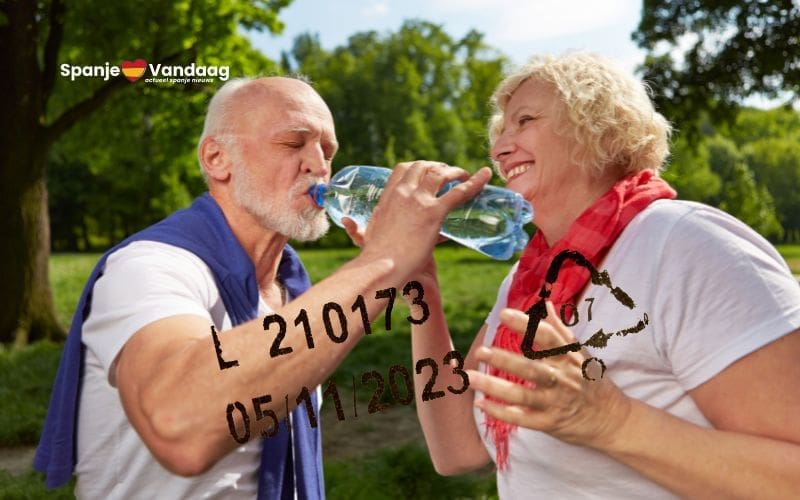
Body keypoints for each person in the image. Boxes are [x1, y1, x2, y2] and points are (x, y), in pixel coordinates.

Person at [34, 75, 491, 499]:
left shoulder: (292, 288)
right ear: (217, 159)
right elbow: (181, 427)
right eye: (293, 142)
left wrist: (415, 274)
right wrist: (383, 261)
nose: (318, 165)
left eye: (327, 151)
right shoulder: (149, 267)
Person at [405, 53, 800, 498]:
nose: (499, 148)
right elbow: (456, 449)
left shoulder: (684, 244)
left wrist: (615, 422)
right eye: (500, 132)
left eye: (525, 120)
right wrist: (420, 281)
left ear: (600, 129)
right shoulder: (527, 282)